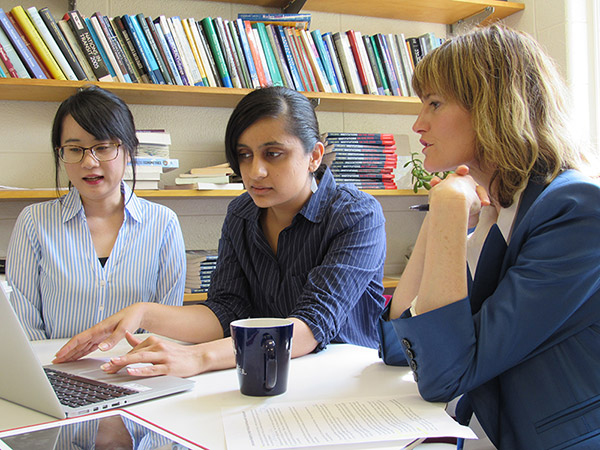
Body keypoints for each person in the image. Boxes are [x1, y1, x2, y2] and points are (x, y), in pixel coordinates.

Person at [53, 86, 387, 377]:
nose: (254, 171)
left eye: (273, 154)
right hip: (263, 372)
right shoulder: (242, 213)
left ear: (314, 156)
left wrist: (198, 357)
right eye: (244, 155)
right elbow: (226, 311)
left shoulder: (356, 214)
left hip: (345, 380)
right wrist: (144, 312)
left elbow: (312, 327)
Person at [378, 24, 600, 449]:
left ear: (491, 106)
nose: (418, 123)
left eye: (435, 103)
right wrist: (438, 219)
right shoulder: (498, 209)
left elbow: (444, 374)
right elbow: (396, 346)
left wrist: (446, 211)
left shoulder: (576, 210)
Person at [6, 85, 186, 340]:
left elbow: (167, 324)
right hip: (53, 373)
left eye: (102, 147)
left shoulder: (163, 223)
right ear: (61, 153)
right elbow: (23, 322)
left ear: (128, 150)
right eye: (75, 149)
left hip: (136, 372)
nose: (89, 162)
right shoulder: (34, 222)